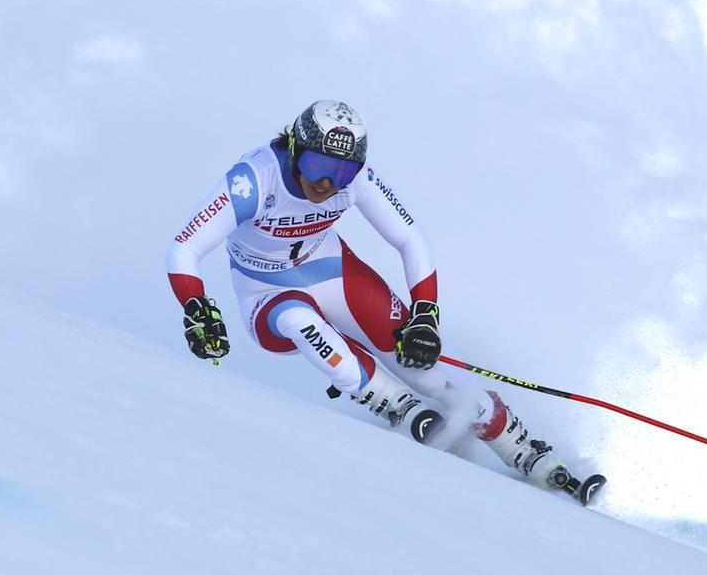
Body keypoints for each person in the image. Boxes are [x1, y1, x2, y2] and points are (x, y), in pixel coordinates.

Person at [165, 99, 577, 491]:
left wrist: (425, 316)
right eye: (317, 165)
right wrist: (197, 308)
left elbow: (411, 239)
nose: (327, 182)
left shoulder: (355, 180)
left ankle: (520, 447)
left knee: (420, 367)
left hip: (332, 272)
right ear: (294, 148)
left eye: (341, 173)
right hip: (265, 292)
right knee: (298, 319)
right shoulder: (253, 179)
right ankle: (395, 404)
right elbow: (185, 247)